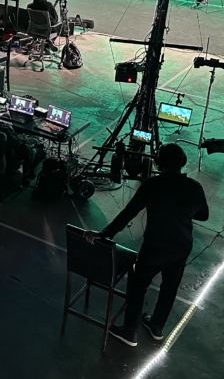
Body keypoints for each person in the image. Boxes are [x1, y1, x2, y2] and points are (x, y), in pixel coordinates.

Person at [83, 143, 208, 347]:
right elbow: (203, 215)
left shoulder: (152, 184)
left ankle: (129, 331)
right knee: (170, 287)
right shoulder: (194, 187)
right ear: (182, 163)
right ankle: (157, 327)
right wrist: (182, 210)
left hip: (155, 247)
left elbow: (128, 213)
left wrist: (104, 233)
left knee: (139, 285)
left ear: (158, 163)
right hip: (181, 247)